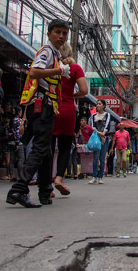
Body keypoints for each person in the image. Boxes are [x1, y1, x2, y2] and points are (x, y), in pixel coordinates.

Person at [6, 19, 70, 208]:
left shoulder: (54, 54)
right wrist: (59, 70)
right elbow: (34, 72)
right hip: (42, 106)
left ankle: (44, 191)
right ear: (49, 33)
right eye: (57, 32)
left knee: (47, 150)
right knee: (41, 148)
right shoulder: (47, 52)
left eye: (64, 33)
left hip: (43, 106)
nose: (61, 36)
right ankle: (19, 189)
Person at [51, 43, 87, 196]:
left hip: (52, 107)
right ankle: (59, 178)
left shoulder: (51, 67)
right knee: (65, 147)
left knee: (48, 147)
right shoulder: (75, 68)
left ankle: (45, 183)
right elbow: (84, 90)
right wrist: (73, 95)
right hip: (68, 110)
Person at [89, 99, 115, 184]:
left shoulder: (107, 115)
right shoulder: (94, 116)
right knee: (95, 158)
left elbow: (107, 126)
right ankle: (94, 176)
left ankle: (100, 177)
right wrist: (100, 134)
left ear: (104, 106)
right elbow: (93, 127)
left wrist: (103, 134)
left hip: (105, 138)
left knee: (102, 158)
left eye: (99, 104)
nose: (98, 105)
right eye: (97, 104)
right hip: (96, 138)